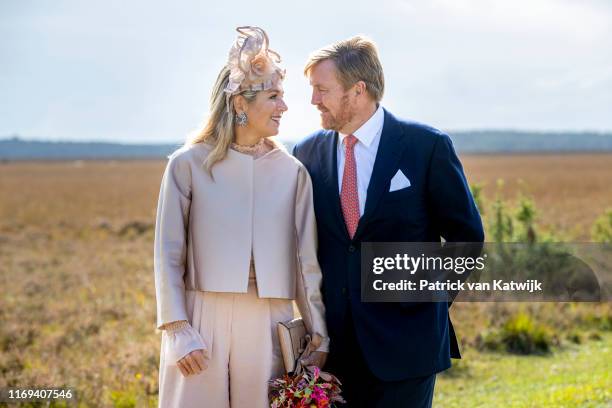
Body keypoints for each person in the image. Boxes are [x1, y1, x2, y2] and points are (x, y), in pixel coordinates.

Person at [292, 36, 484, 407]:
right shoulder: (307, 152)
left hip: (408, 346)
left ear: (358, 90)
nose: (313, 100)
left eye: (321, 89)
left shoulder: (426, 146)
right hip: (334, 350)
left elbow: (467, 238)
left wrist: (427, 303)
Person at [154, 26, 329, 408]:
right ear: (239, 103)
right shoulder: (187, 165)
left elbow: (306, 265)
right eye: (273, 96)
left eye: (282, 96)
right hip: (201, 321)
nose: (284, 106)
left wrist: (319, 338)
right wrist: (178, 330)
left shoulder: (292, 172)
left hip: (271, 325)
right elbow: (167, 255)